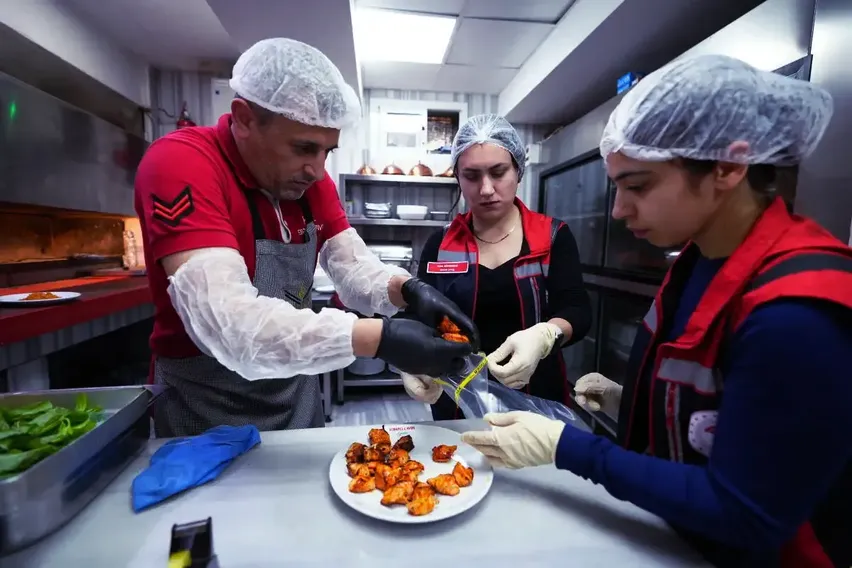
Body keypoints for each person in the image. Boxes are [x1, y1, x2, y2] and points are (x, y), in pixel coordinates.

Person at [460, 55, 852, 567]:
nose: (619, 210)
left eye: (638, 185)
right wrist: (637, 405)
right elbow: (730, 413)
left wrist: (567, 447)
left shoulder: (798, 310)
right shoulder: (697, 262)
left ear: (727, 168)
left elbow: (748, 513)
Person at [134, 38, 478, 438]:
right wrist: (378, 338)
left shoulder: (309, 182)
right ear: (244, 119)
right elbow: (231, 327)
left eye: (327, 151)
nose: (317, 170)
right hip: (206, 403)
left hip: (293, 392)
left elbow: (351, 266)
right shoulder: (182, 163)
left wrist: (406, 290)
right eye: (303, 148)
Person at [400, 114, 592, 420]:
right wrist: (413, 359)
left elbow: (577, 310)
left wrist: (546, 334)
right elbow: (419, 315)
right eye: (471, 176)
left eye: (498, 172)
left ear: (518, 170)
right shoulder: (440, 244)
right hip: (457, 399)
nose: (486, 188)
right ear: (458, 178)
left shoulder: (552, 236)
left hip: (537, 398)